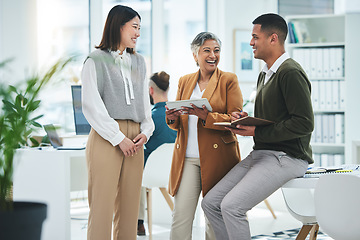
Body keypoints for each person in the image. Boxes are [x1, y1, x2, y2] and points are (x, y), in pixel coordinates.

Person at [201, 13, 314, 240]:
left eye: (255, 37)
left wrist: (257, 131)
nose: (251, 42)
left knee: (232, 206)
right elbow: (274, 117)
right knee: (211, 203)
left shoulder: (290, 72)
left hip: (287, 157)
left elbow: (304, 123)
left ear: (273, 39)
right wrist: (246, 118)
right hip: (262, 153)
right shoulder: (265, 74)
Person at [81, 5, 154, 240]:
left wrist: (146, 131)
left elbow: (145, 104)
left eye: (139, 28)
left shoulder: (140, 62)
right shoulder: (95, 61)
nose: (138, 33)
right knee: (101, 207)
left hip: (135, 136)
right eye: (134, 27)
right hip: (106, 136)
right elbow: (92, 107)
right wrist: (117, 137)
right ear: (118, 25)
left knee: (130, 208)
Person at [165, 32, 243, 240]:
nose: (213, 55)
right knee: (181, 216)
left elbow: (236, 120)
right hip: (187, 159)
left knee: (214, 218)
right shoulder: (185, 81)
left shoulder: (229, 80)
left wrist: (207, 116)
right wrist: (171, 118)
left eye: (216, 51)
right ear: (195, 55)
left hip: (219, 159)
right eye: (206, 50)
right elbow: (178, 124)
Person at [137, 71, 177, 236]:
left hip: (150, 174)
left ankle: (138, 222)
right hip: (172, 171)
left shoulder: (150, 119)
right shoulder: (177, 115)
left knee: (133, 167)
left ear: (150, 91)